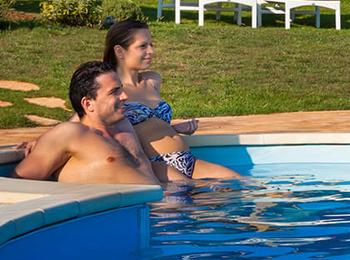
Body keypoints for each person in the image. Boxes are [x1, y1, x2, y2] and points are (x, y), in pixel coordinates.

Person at [104, 20, 238, 180]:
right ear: (120, 51)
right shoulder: (112, 90)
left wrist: (175, 128)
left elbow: (150, 125)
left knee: (238, 182)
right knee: (195, 193)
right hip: (157, 165)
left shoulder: (152, 80)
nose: (151, 51)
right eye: (143, 46)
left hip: (188, 160)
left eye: (151, 45)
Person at [13, 61, 160, 185]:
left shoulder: (124, 126)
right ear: (88, 104)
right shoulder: (71, 134)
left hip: (159, 205)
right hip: (116, 209)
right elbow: (18, 182)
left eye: (121, 89)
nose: (125, 96)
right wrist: (45, 140)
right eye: (114, 92)